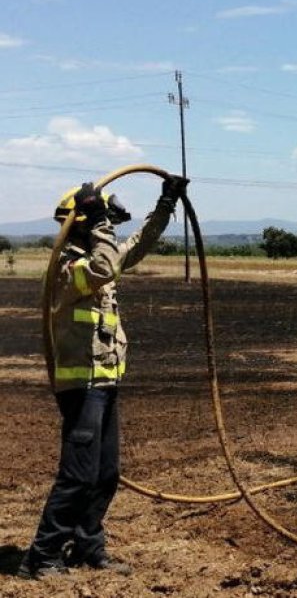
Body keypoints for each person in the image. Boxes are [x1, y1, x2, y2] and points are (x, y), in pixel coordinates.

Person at [19, 176, 187, 580]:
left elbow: (136, 247)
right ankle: (42, 557)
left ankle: (88, 546)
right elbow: (106, 262)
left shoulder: (100, 263)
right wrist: (96, 218)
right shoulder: (68, 268)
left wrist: (165, 205)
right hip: (81, 388)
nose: (109, 228)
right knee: (77, 475)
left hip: (105, 382)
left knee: (105, 473)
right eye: (102, 221)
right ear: (81, 224)